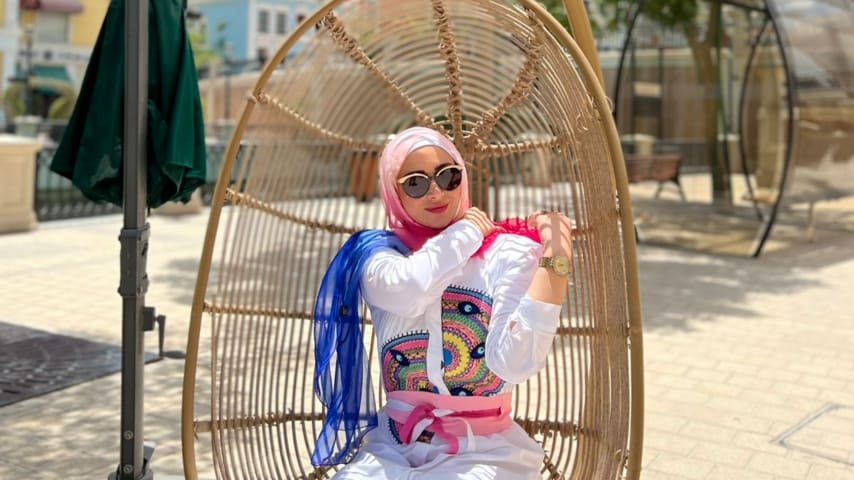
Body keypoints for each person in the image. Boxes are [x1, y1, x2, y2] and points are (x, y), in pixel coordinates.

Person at [312, 127, 573, 479]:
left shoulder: (506, 253)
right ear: (393, 192)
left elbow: (514, 363)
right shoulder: (378, 258)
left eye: (448, 176)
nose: (436, 191)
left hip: (486, 451)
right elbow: (410, 289)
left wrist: (557, 259)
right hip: (392, 448)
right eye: (415, 183)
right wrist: (466, 232)